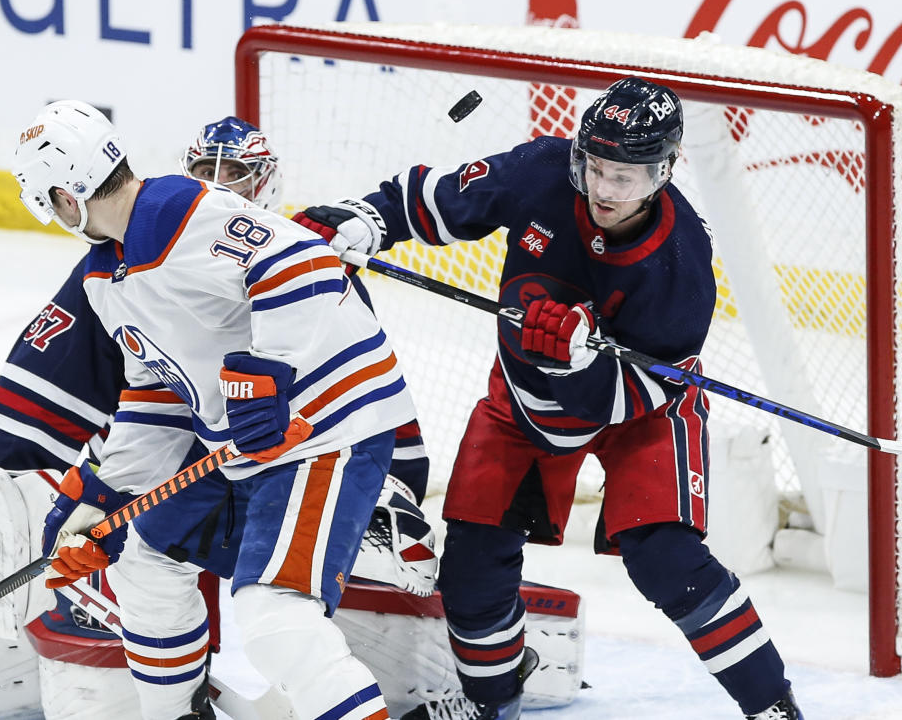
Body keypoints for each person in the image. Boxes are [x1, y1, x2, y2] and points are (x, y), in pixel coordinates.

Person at [293, 77, 804, 720]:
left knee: (667, 559)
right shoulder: (541, 172)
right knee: (473, 568)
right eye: (596, 167)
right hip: (523, 402)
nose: (604, 190)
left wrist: (574, 367)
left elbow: (642, 391)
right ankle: (492, 699)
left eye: (627, 176)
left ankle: (772, 706)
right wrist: (368, 218)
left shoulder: (681, 258)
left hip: (643, 412)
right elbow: (440, 200)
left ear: (665, 171)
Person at [10, 100, 421, 720]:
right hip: (247, 452)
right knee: (143, 560)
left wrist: (269, 367)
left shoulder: (177, 210)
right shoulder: (105, 277)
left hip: (324, 431)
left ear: (67, 198)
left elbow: (301, 258)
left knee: (273, 616)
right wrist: (101, 495)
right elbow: (155, 392)